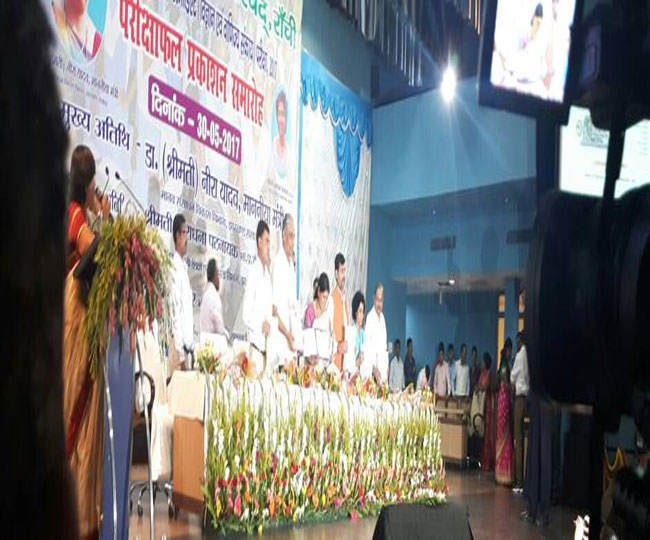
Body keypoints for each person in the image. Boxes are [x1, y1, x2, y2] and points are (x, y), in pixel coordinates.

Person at [63, 144, 110, 537]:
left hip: (75, 315)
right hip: (76, 316)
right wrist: (105, 220)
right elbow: (91, 253)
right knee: (75, 411)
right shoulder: (76, 215)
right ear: (89, 181)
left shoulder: (77, 211)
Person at [243, 220, 274, 374]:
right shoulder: (253, 271)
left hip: (267, 352)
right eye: (267, 241)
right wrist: (260, 324)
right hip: (255, 350)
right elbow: (246, 314)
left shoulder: (267, 275)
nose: (269, 246)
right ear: (259, 242)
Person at [272, 214, 297, 362]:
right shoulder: (277, 265)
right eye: (291, 236)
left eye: (294, 237)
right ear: (283, 236)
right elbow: (273, 310)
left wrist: (294, 335)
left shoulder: (291, 267)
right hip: (280, 341)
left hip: (292, 343)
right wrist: (288, 335)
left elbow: (292, 307)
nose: (293, 242)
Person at [170, 214, 194, 371]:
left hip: (187, 350)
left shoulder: (184, 268)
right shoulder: (174, 268)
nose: (187, 239)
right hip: (180, 354)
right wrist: (180, 357)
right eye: (184, 233)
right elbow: (175, 313)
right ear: (178, 236)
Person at [511, 331, 529, 492]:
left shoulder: (519, 356)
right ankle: (524, 478)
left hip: (519, 399)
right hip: (528, 399)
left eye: (517, 341)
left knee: (518, 440)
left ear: (520, 341)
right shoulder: (529, 356)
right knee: (524, 438)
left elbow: (512, 377)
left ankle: (518, 480)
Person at [495, 346, 515, 486]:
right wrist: (512, 388)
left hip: (501, 400)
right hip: (505, 400)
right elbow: (506, 385)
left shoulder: (502, 365)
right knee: (506, 435)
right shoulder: (505, 367)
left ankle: (500, 473)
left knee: (502, 433)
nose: (510, 353)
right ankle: (505, 474)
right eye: (509, 351)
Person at [303, 272, 333, 366]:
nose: (325, 301)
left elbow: (330, 337)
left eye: (327, 298)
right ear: (319, 292)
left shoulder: (327, 313)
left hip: (324, 363)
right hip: (311, 364)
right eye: (323, 297)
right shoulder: (310, 310)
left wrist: (331, 352)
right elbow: (306, 341)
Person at [363, 282, 388, 384]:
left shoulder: (383, 319)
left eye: (381, 300)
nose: (379, 304)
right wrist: (373, 369)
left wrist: (386, 370)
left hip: (382, 375)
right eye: (377, 300)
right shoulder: (370, 318)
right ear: (373, 298)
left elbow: (384, 348)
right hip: (372, 373)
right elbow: (366, 348)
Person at [328, 253, 350, 372]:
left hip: (345, 366)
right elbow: (327, 334)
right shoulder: (331, 300)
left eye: (345, 270)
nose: (344, 275)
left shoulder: (345, 300)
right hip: (334, 366)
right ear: (336, 274)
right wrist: (337, 346)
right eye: (341, 271)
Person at [199, 258, 228, 338]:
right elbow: (219, 329)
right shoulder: (213, 296)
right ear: (214, 275)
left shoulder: (206, 295)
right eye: (218, 274)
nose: (219, 279)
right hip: (213, 342)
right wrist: (227, 336)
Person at [479, 353, 496, 472]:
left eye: (483, 361)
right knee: (483, 433)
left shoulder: (489, 374)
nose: (482, 363)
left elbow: (486, 387)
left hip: (489, 405)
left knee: (489, 433)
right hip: (481, 404)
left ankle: (489, 462)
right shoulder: (481, 374)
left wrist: (480, 388)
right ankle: (483, 461)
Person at [344, 291, 365, 380]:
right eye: (360, 311)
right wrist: (357, 363)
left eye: (363, 311)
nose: (362, 315)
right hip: (351, 377)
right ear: (355, 312)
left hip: (362, 377)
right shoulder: (350, 333)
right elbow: (347, 364)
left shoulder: (364, 334)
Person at [272, 90, 289, 177]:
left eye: (283, 115)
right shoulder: (272, 146)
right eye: (279, 114)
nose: (281, 120)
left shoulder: (289, 153)